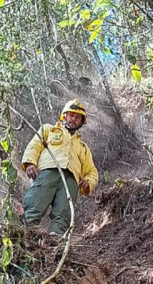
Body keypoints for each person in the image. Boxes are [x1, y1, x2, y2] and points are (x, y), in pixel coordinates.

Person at [21, 99, 98, 237]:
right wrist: (30, 163)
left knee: (64, 212)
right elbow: (34, 145)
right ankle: (26, 233)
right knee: (36, 201)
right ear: (64, 116)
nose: (73, 119)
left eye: (77, 118)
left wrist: (88, 182)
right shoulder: (48, 130)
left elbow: (91, 172)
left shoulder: (83, 148)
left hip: (71, 181)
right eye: (71, 115)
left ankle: (54, 242)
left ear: (81, 123)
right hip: (47, 172)